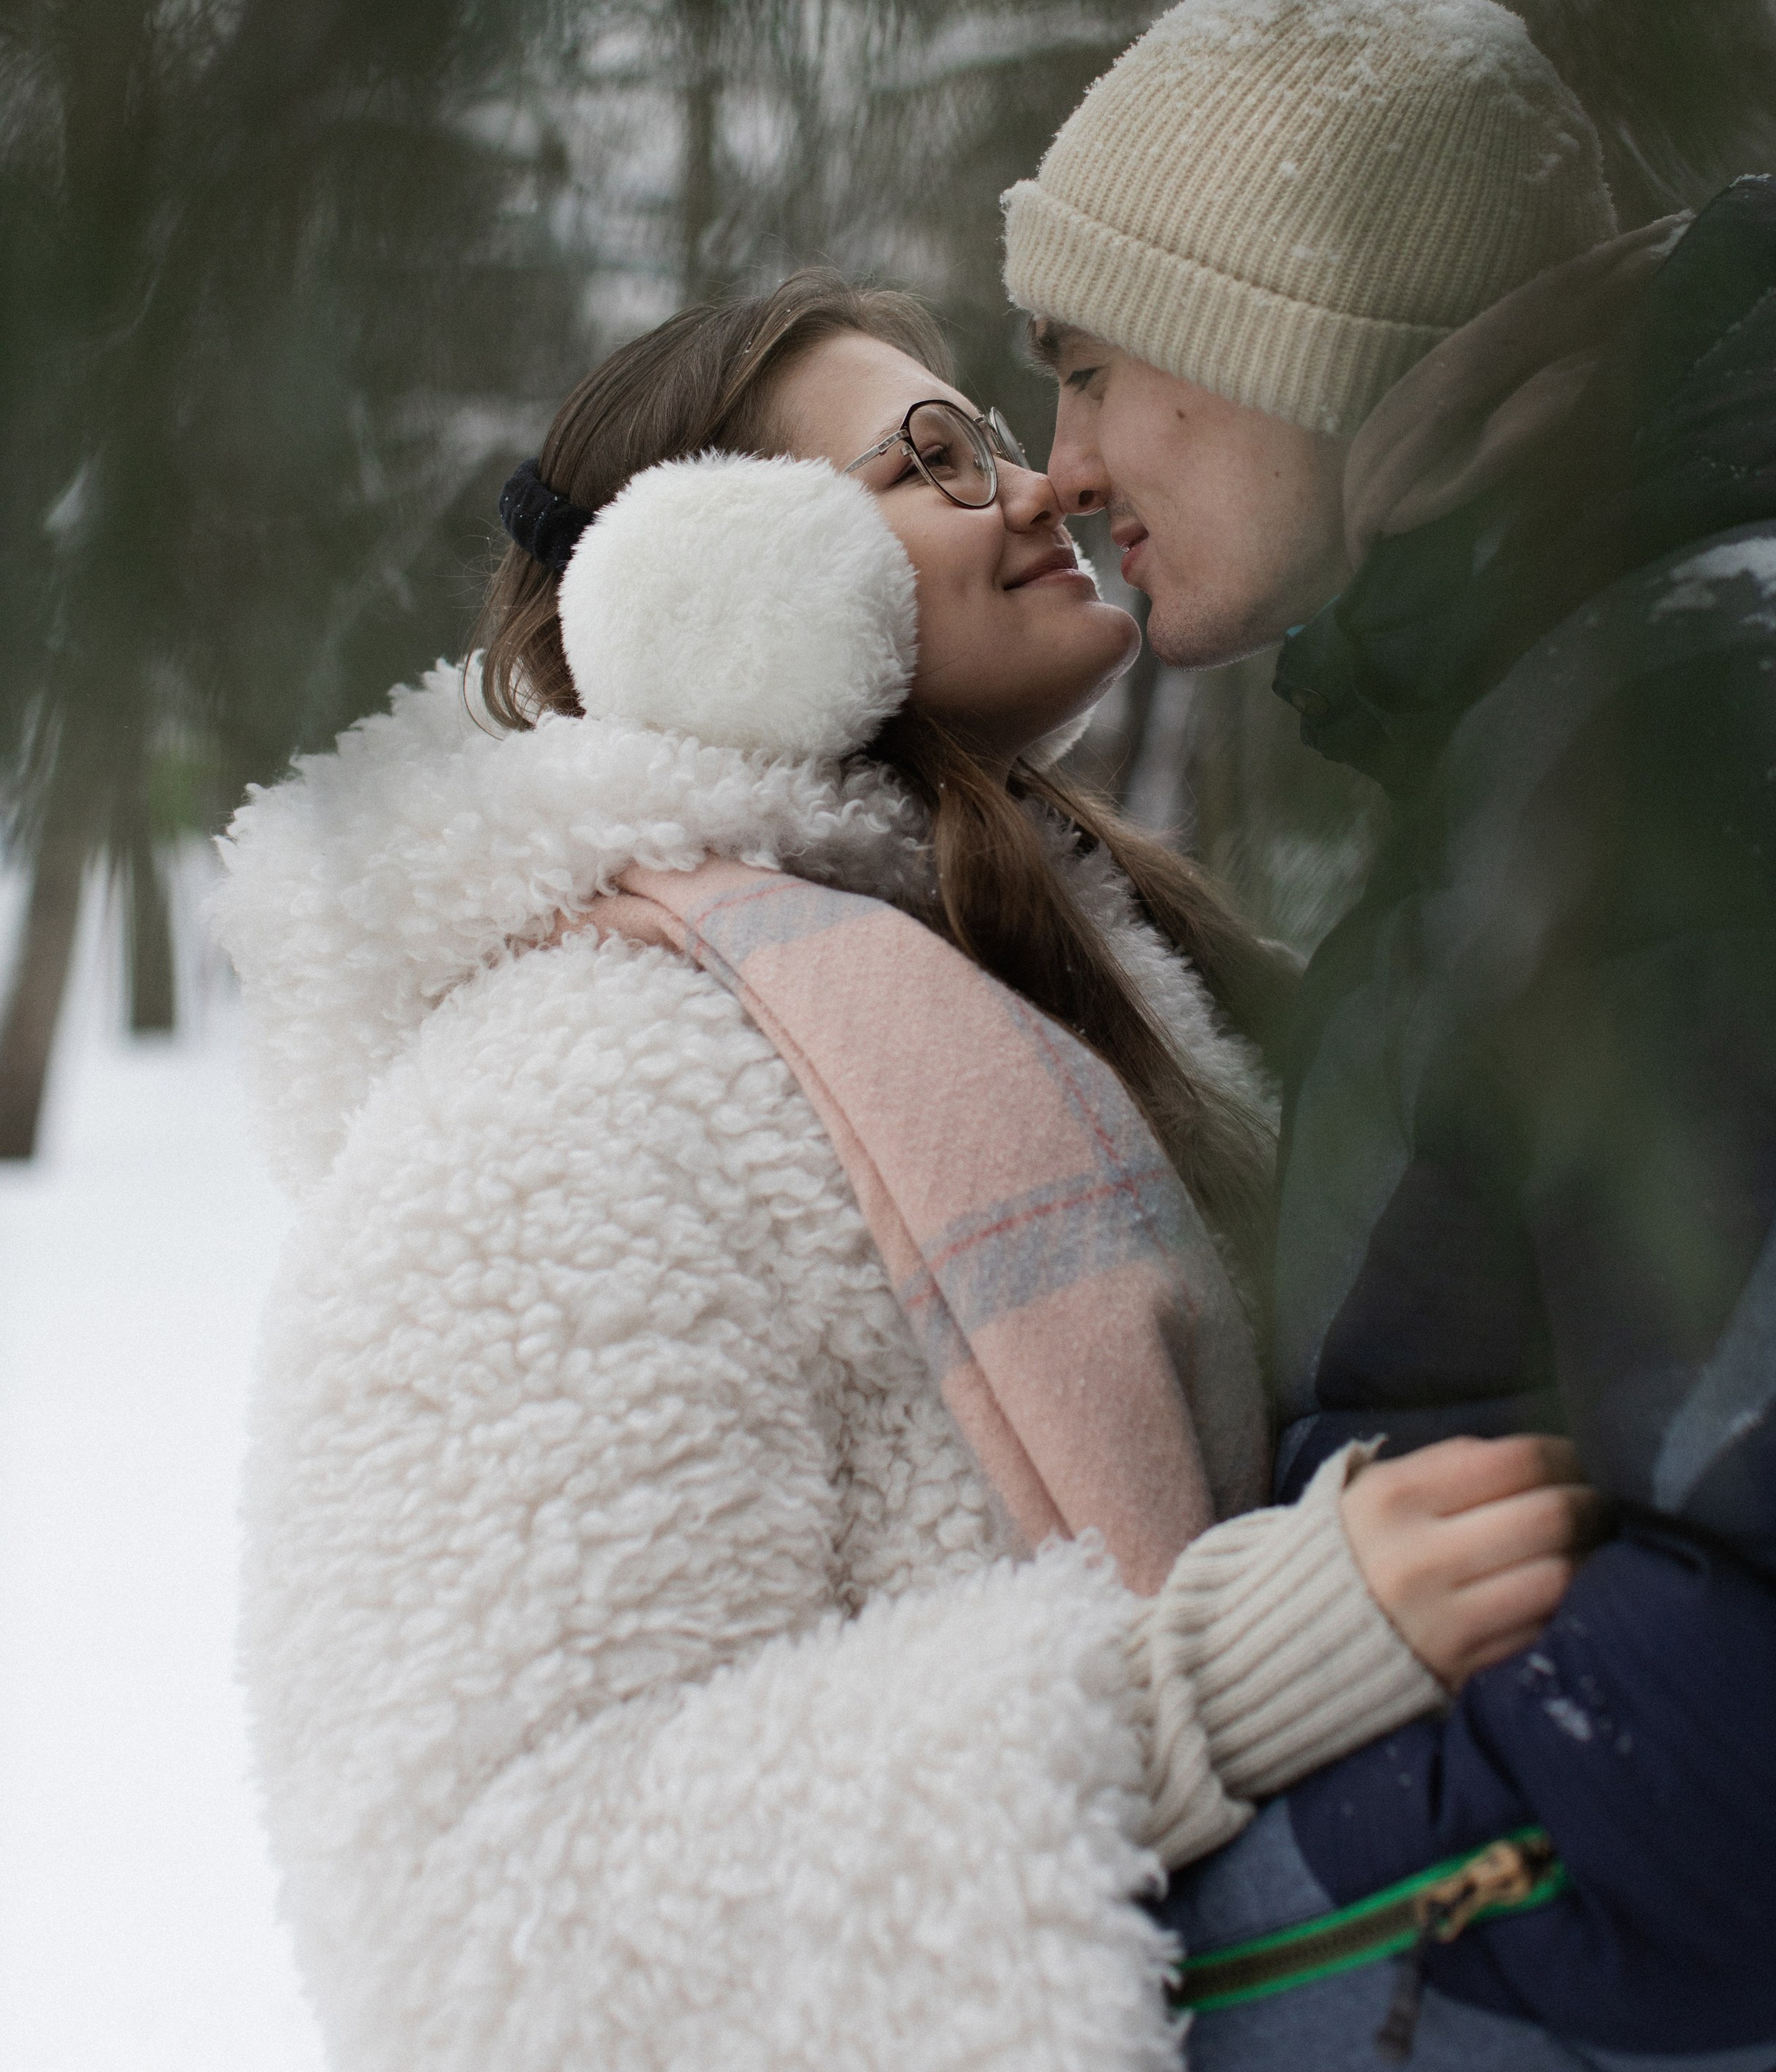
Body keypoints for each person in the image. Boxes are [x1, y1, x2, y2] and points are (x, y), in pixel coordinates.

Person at [215, 272, 1596, 2072]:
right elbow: (490, 1928)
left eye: (1000, 440)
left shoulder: (1069, 970)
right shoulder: (572, 1095)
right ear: (723, 581)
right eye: (929, 459)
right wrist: (1199, 1694)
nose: (1036, 490)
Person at [1004, 0, 1776, 2069]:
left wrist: (1192, 1993)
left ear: (1283, 329)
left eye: (1089, 365)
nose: (1059, 461)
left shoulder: (1741, 704)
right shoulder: (1571, 713)